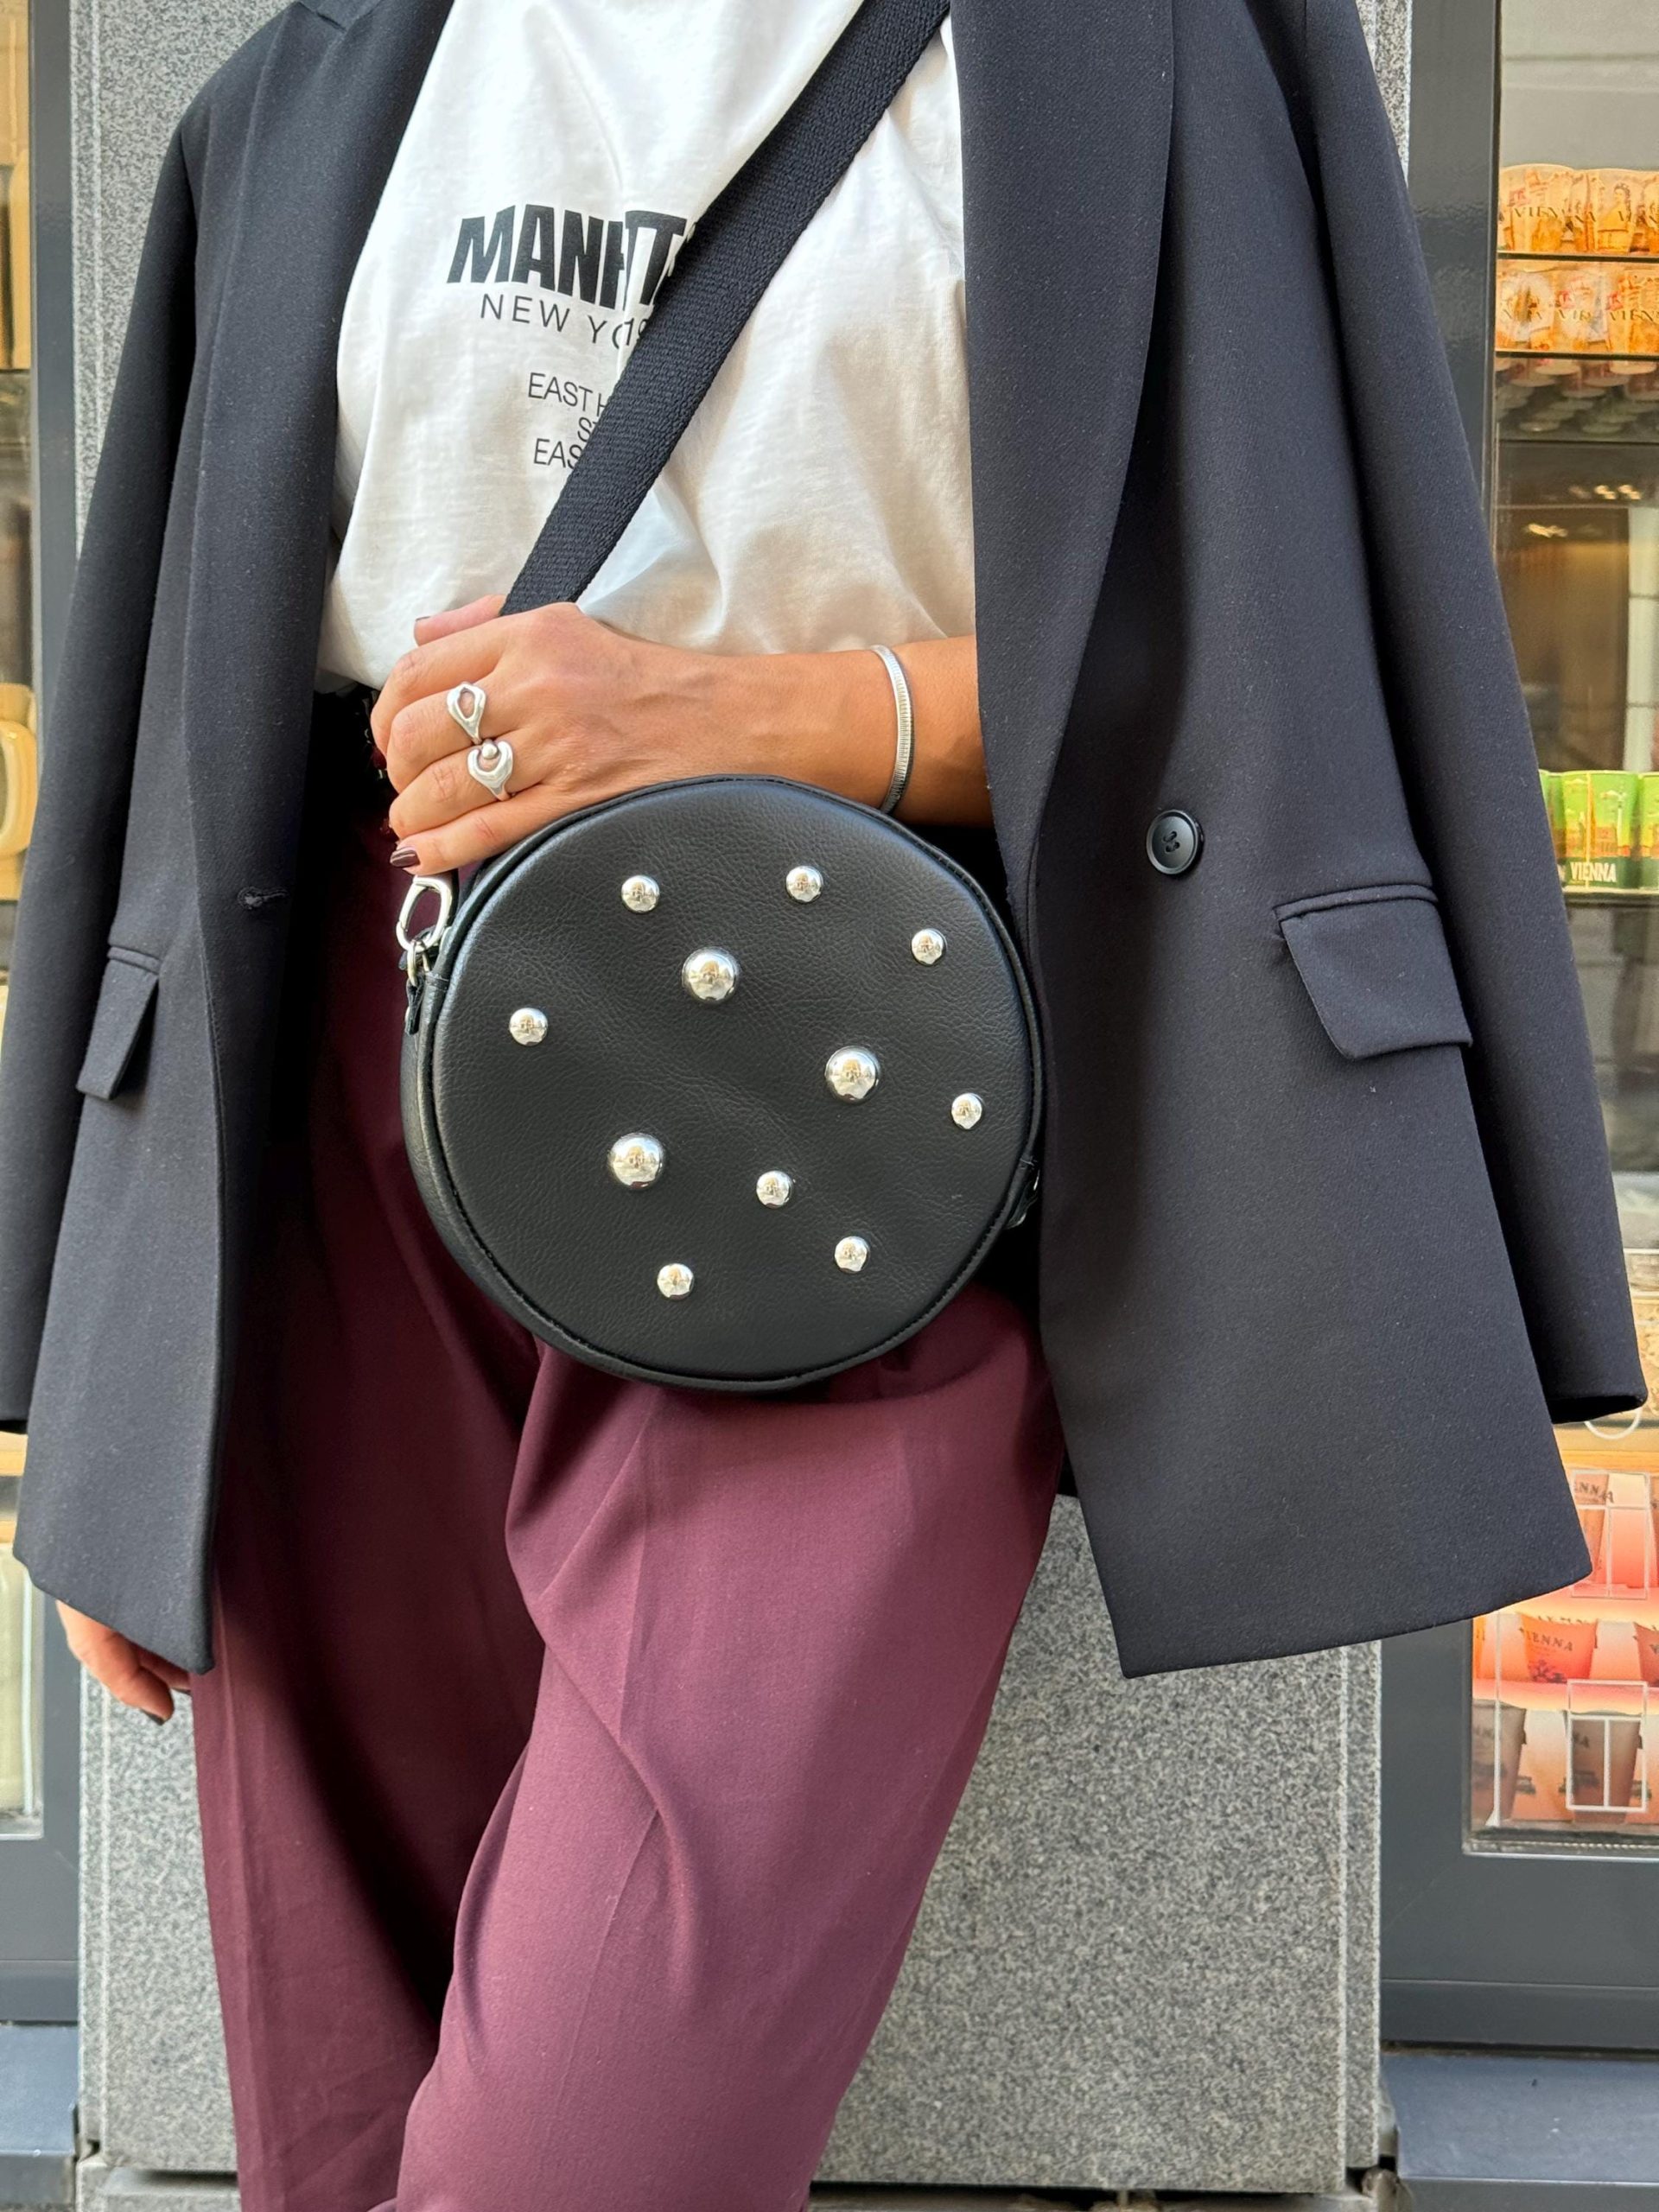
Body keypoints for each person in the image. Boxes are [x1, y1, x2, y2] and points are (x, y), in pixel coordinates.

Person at [0, 1, 1643, 2207]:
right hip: (336, 1136)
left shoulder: (1141, 59)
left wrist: (766, 715)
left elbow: (1272, 672)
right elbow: (165, 757)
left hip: (869, 1104)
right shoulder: (314, 78)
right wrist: (104, 1372)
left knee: (580, 2151)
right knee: (334, 2108)